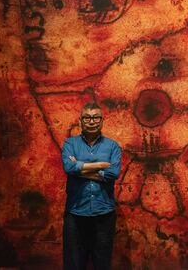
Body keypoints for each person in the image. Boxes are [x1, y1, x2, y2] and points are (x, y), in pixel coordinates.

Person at [61, 102, 121, 270]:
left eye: (96, 117)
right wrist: (102, 165)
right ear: (80, 121)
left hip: (104, 214)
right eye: (87, 118)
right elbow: (68, 167)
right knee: (73, 263)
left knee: (102, 263)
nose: (92, 121)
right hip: (75, 212)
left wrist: (80, 167)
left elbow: (113, 173)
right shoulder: (70, 144)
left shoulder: (112, 146)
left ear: (102, 121)